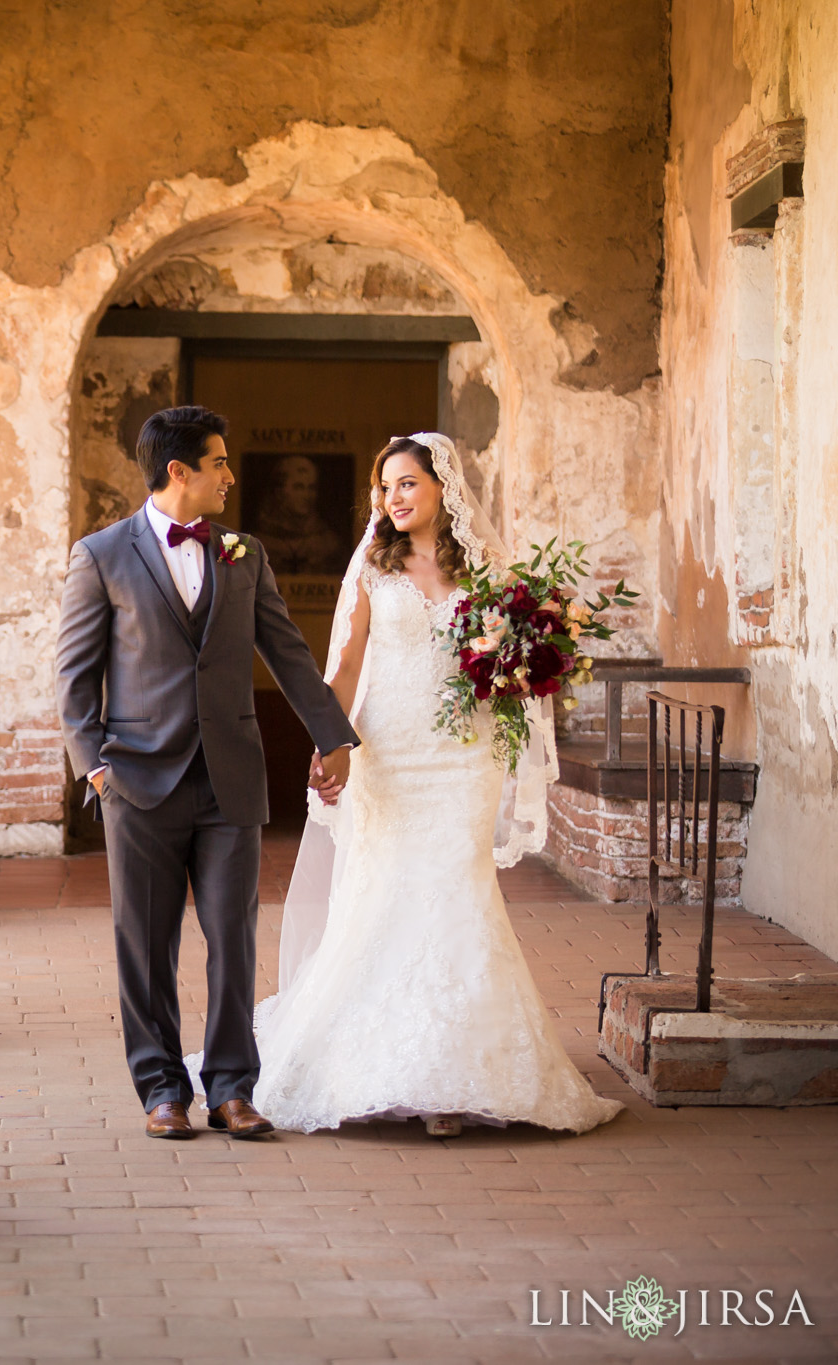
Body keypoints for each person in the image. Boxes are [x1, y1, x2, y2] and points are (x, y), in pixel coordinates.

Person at [251, 434, 623, 1138]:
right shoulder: (370, 565)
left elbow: (516, 659)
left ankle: (453, 1076)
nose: (393, 498)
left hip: (464, 755)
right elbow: (348, 663)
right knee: (384, 891)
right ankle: (375, 1061)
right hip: (389, 750)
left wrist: (524, 662)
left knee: (458, 886)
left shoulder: (485, 573)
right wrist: (333, 743)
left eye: (406, 484)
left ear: (441, 490)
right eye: (384, 487)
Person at [56, 406, 359, 1141]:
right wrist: (95, 769)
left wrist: (333, 736)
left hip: (231, 778)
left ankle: (231, 1087)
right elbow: (74, 675)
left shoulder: (244, 553)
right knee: (146, 943)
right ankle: (162, 1088)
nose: (230, 474)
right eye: (219, 462)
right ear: (179, 471)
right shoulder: (100, 555)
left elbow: (287, 651)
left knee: (234, 935)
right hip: (136, 780)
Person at [251, 454, 348, 575]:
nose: (307, 496)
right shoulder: (257, 543)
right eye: (298, 487)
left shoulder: (330, 544)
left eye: (311, 488)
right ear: (279, 491)